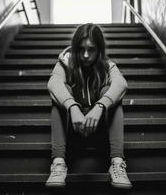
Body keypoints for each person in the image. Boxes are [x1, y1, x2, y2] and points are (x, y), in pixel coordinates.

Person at [45, 23, 132, 189]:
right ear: (75, 48)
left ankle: (117, 162)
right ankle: (58, 163)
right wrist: (72, 106)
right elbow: (53, 83)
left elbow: (122, 84)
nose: (85, 55)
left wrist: (100, 106)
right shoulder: (65, 63)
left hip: (99, 127)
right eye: (81, 49)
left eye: (91, 49)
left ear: (99, 50)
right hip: (73, 128)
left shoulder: (107, 66)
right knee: (61, 94)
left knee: (111, 92)